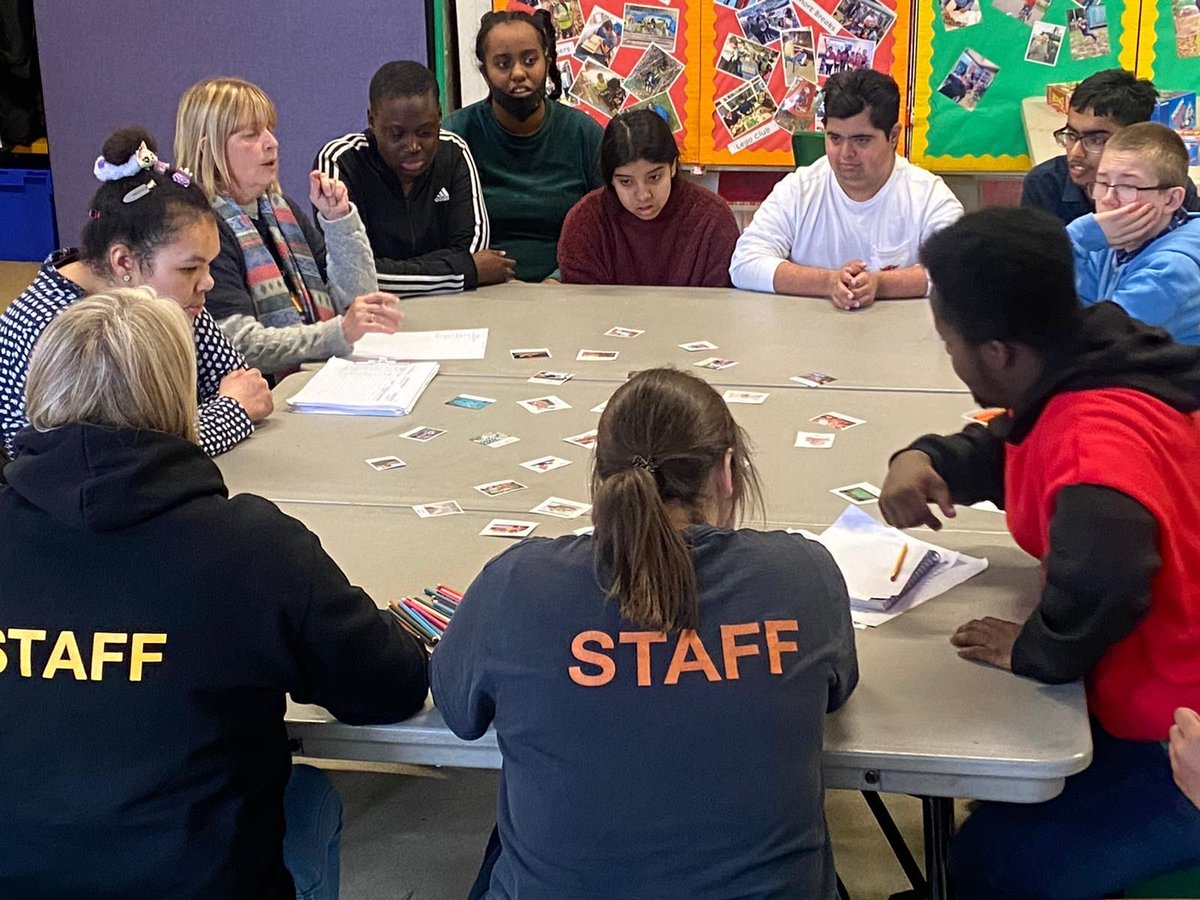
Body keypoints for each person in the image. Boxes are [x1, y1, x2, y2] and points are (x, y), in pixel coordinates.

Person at [0, 288, 429, 898]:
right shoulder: (251, 545)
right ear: (180, 396)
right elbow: (389, 687)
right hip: (195, 878)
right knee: (310, 798)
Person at [431, 367, 858, 899]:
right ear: (727, 472)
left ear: (600, 480)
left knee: (514, 832)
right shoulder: (804, 574)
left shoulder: (515, 584)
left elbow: (459, 714)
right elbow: (836, 692)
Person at [877, 206, 1200, 898]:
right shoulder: (1095, 355)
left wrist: (1037, 648)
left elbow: (1111, 573)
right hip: (1155, 699)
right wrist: (934, 457)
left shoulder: (1094, 443)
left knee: (993, 863)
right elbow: (1024, 444)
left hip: (1177, 740)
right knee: (997, 812)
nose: (950, 355)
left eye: (949, 339)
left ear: (997, 353)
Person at [0, 127, 272, 459]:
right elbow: (113, 463)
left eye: (209, 265)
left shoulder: (166, 297)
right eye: (190, 268)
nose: (207, 282)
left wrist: (227, 407)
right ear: (123, 260)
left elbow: (244, 385)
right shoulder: (54, 330)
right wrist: (232, 413)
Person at [175, 77, 403, 378]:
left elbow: (357, 302)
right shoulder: (201, 230)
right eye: (251, 134)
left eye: (270, 130)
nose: (272, 142)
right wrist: (337, 334)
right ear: (209, 150)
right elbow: (238, 346)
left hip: (318, 378)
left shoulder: (282, 211)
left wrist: (339, 221)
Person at [730, 69, 962, 308]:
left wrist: (880, 285)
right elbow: (744, 264)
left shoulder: (929, 196)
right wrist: (828, 282)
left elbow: (961, 270)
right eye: (835, 139)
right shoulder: (798, 190)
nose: (845, 154)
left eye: (861, 140)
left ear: (893, 136)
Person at [316, 61, 514, 297]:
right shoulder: (339, 162)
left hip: (456, 311)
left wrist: (389, 270)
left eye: (425, 132)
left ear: (440, 116)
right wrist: (463, 273)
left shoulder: (454, 151)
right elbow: (350, 275)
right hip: (373, 319)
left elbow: (473, 250)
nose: (413, 146)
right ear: (371, 121)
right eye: (396, 135)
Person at [444, 8, 604, 282]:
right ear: (485, 73)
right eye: (503, 64)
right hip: (482, 291)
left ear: (547, 61)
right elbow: (435, 228)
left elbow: (607, 226)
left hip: (571, 289)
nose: (518, 73)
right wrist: (470, 271)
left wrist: (559, 278)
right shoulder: (455, 136)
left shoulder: (583, 134)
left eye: (530, 60)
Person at [558, 108, 740, 286]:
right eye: (626, 182)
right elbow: (582, 307)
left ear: (673, 166)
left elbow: (719, 308)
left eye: (654, 177)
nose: (643, 195)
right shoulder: (585, 222)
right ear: (610, 180)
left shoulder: (713, 219)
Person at [1068, 122, 1200, 344]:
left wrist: (1075, 237)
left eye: (1128, 187)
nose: (1108, 199)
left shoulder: (1170, 270)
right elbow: (1067, 309)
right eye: (1102, 182)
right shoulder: (1106, 241)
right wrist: (1079, 239)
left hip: (1163, 377)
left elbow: (1094, 341)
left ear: (1171, 199)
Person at [1021, 68, 1200, 225]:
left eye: (1096, 140)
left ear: (1135, 139)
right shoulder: (1044, 185)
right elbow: (1035, 261)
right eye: (1071, 135)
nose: (1075, 152)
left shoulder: (1168, 187)